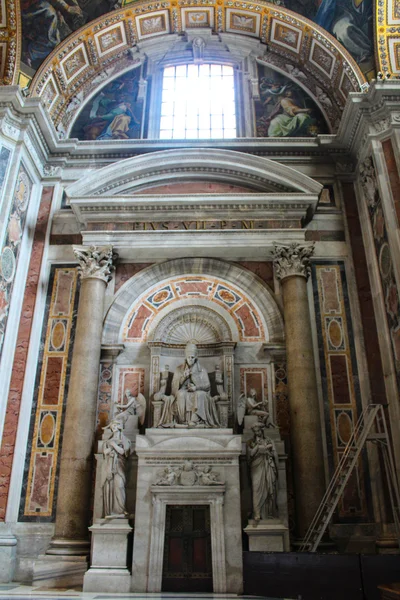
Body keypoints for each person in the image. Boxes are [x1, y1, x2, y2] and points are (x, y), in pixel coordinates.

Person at [171, 341, 221, 427]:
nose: (190, 359)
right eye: (188, 357)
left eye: (192, 357)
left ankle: (195, 419)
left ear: (196, 358)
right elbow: (174, 386)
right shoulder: (179, 369)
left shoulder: (202, 370)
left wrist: (196, 387)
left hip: (198, 392)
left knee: (200, 394)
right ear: (185, 357)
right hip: (184, 391)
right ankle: (183, 420)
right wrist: (183, 377)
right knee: (180, 394)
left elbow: (207, 385)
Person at [247, 423, 278, 520]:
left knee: (269, 488)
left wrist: (268, 449)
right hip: (256, 467)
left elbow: (274, 454)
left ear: (262, 430)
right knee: (256, 489)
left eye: (259, 431)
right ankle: (257, 513)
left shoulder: (269, 440)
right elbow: (250, 454)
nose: (257, 433)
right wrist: (258, 446)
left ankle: (269, 513)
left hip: (267, 465)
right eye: (255, 432)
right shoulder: (250, 442)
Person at [102, 420, 131, 518]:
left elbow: (123, 452)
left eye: (115, 425)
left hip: (119, 465)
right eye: (112, 426)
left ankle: (121, 510)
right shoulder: (108, 441)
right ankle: (111, 512)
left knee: (119, 486)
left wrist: (113, 445)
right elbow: (105, 452)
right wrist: (111, 447)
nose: (113, 427)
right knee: (110, 488)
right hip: (109, 466)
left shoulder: (125, 440)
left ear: (120, 426)